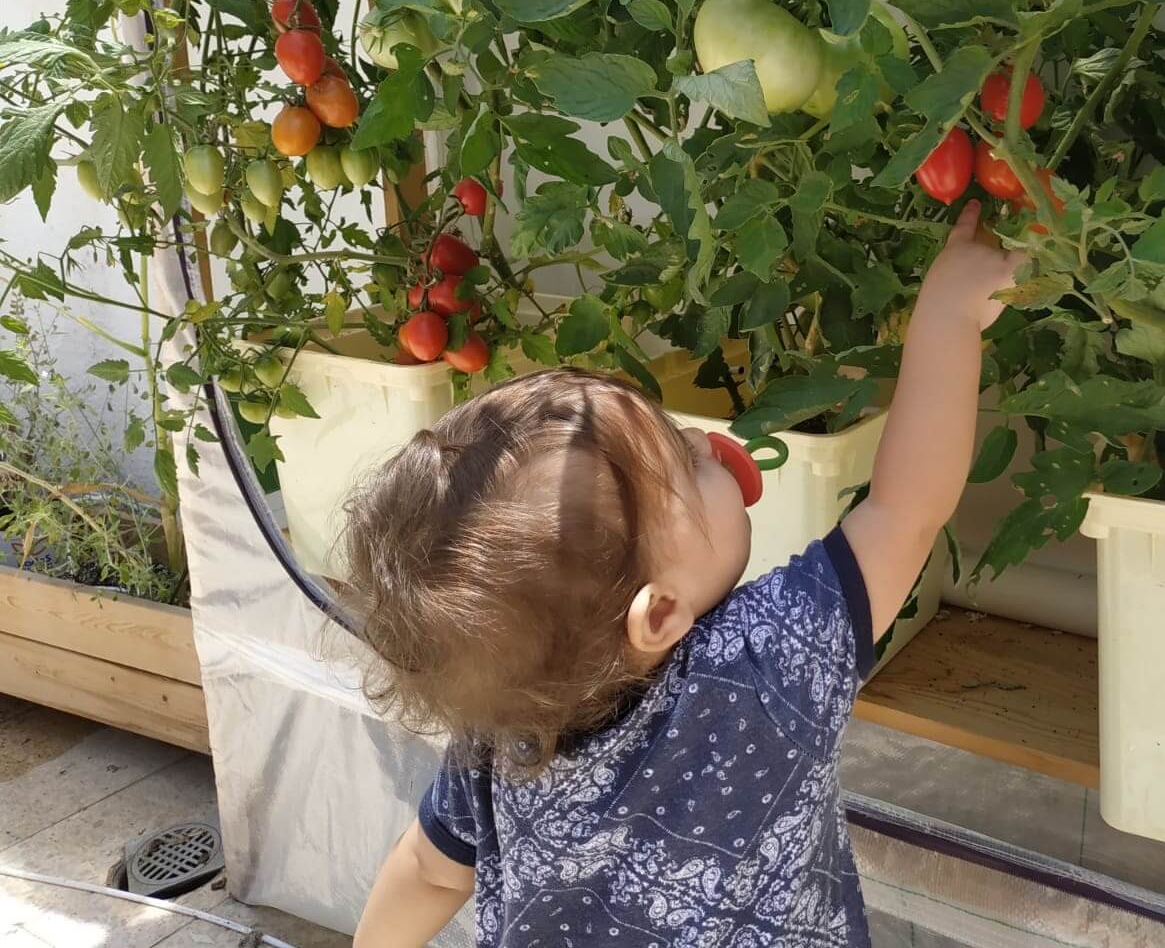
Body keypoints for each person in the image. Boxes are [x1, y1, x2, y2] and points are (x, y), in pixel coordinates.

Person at [345, 202, 1021, 948]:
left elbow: (429, 870)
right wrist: (949, 315)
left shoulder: (501, 739)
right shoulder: (758, 668)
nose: (702, 439)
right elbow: (906, 508)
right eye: (684, 463)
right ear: (659, 614)